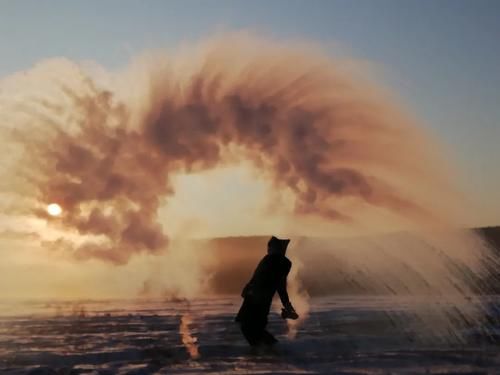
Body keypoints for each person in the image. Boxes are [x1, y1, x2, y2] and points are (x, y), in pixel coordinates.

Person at [235, 236, 299, 347]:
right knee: (251, 327)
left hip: (258, 299)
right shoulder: (277, 260)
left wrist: (287, 304)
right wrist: (248, 286)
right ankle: (267, 349)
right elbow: (260, 276)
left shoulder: (277, 261)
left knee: (250, 327)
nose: (269, 249)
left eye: (270, 247)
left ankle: (271, 349)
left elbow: (279, 283)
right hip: (256, 297)